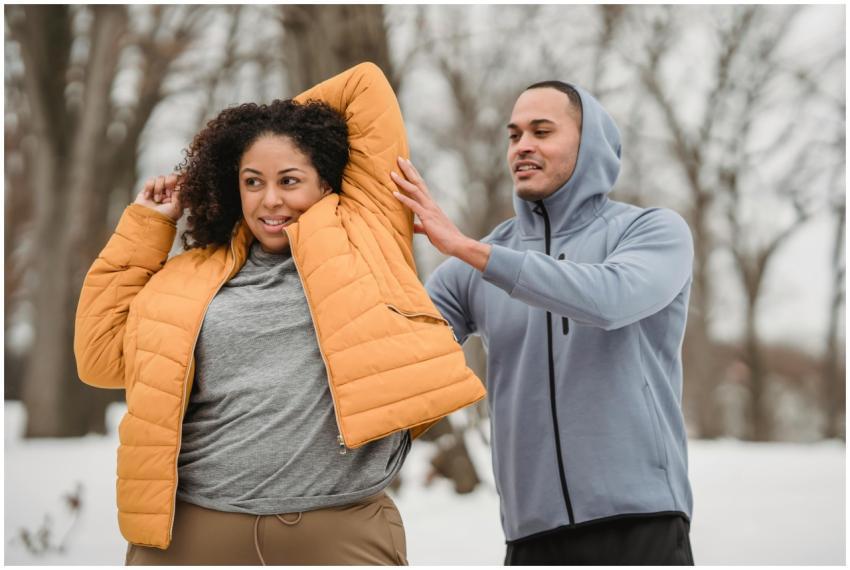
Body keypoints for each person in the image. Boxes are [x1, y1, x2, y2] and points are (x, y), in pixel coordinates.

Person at [74, 62, 485, 566]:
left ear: (325, 184)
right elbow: (99, 358)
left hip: (339, 532)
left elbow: (364, 85)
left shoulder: (367, 237)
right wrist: (146, 226)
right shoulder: (187, 278)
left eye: (289, 180)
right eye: (253, 181)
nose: (271, 200)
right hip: (194, 533)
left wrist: (269, 126)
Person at [390, 80, 695, 564]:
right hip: (531, 538)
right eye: (514, 135)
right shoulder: (473, 267)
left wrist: (470, 251)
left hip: (640, 523)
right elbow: (397, 351)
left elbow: (609, 299)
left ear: (588, 142)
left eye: (542, 131)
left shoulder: (650, 231)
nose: (522, 146)